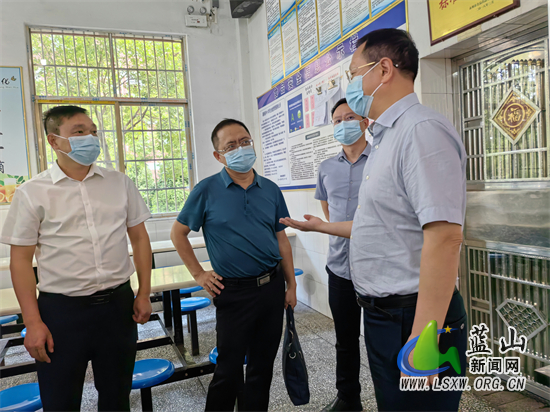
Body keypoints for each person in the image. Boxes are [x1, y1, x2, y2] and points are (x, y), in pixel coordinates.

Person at [281, 29, 468, 411]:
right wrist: (319, 226)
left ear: (383, 69)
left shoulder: (420, 132)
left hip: (414, 317)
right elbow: (380, 227)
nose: (350, 84)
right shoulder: (387, 139)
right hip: (386, 315)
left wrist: (424, 339)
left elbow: (445, 237)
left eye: (353, 73)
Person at [1, 105, 153, 411]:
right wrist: (32, 322)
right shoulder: (33, 192)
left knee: (117, 395)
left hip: (117, 306)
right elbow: (20, 260)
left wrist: (144, 293)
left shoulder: (119, 182)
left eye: (93, 131)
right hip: (62, 312)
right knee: (61, 400)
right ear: (54, 141)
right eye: (79, 132)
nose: (90, 138)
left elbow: (139, 237)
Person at [171, 118, 297, 412]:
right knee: (228, 369)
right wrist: (199, 274)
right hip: (233, 292)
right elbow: (178, 233)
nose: (239, 148)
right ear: (218, 155)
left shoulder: (270, 189)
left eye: (244, 141)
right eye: (230, 145)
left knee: (261, 367)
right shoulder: (206, 190)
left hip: (271, 288)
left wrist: (291, 285)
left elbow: (282, 241)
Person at [316, 98, 370, 412]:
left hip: (375, 267)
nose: (342, 123)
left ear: (365, 121)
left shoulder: (381, 161)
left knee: (380, 341)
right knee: (345, 339)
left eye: (349, 117)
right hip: (339, 267)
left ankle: (394, 397)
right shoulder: (326, 168)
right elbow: (329, 215)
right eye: (337, 120)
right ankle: (349, 399)